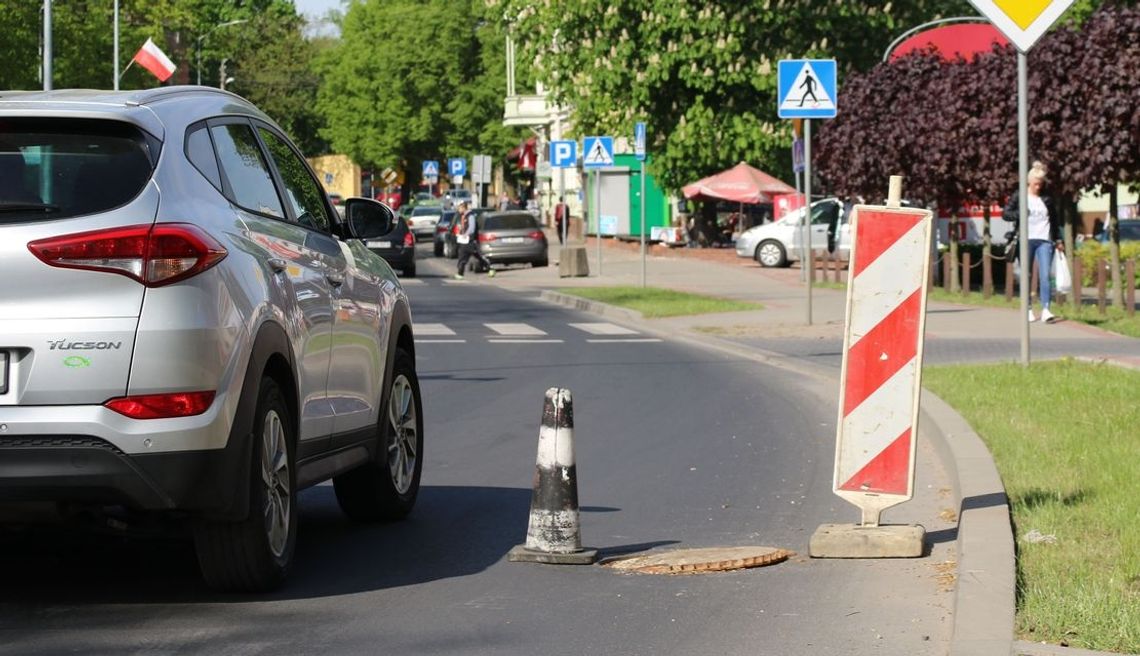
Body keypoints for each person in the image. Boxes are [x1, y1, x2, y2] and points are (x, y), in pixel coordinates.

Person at [1002, 161, 1062, 323]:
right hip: (1026, 239)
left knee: (1045, 275)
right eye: (1036, 184)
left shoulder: (1047, 198)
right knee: (1026, 275)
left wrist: (1058, 239)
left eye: (1040, 184)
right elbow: (1006, 214)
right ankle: (1028, 308)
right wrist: (1020, 213)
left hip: (1045, 240)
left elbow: (1054, 220)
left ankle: (1046, 309)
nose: (1038, 187)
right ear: (1029, 181)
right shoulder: (1020, 195)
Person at [455, 201, 494, 279]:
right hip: (464, 241)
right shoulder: (462, 216)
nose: (458, 210)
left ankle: (490, 269)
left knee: (478, 256)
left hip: (471, 241)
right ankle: (460, 274)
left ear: (463, 207)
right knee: (462, 257)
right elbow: (463, 227)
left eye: (459, 208)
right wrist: (460, 232)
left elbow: (471, 228)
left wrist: (465, 234)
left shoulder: (470, 216)